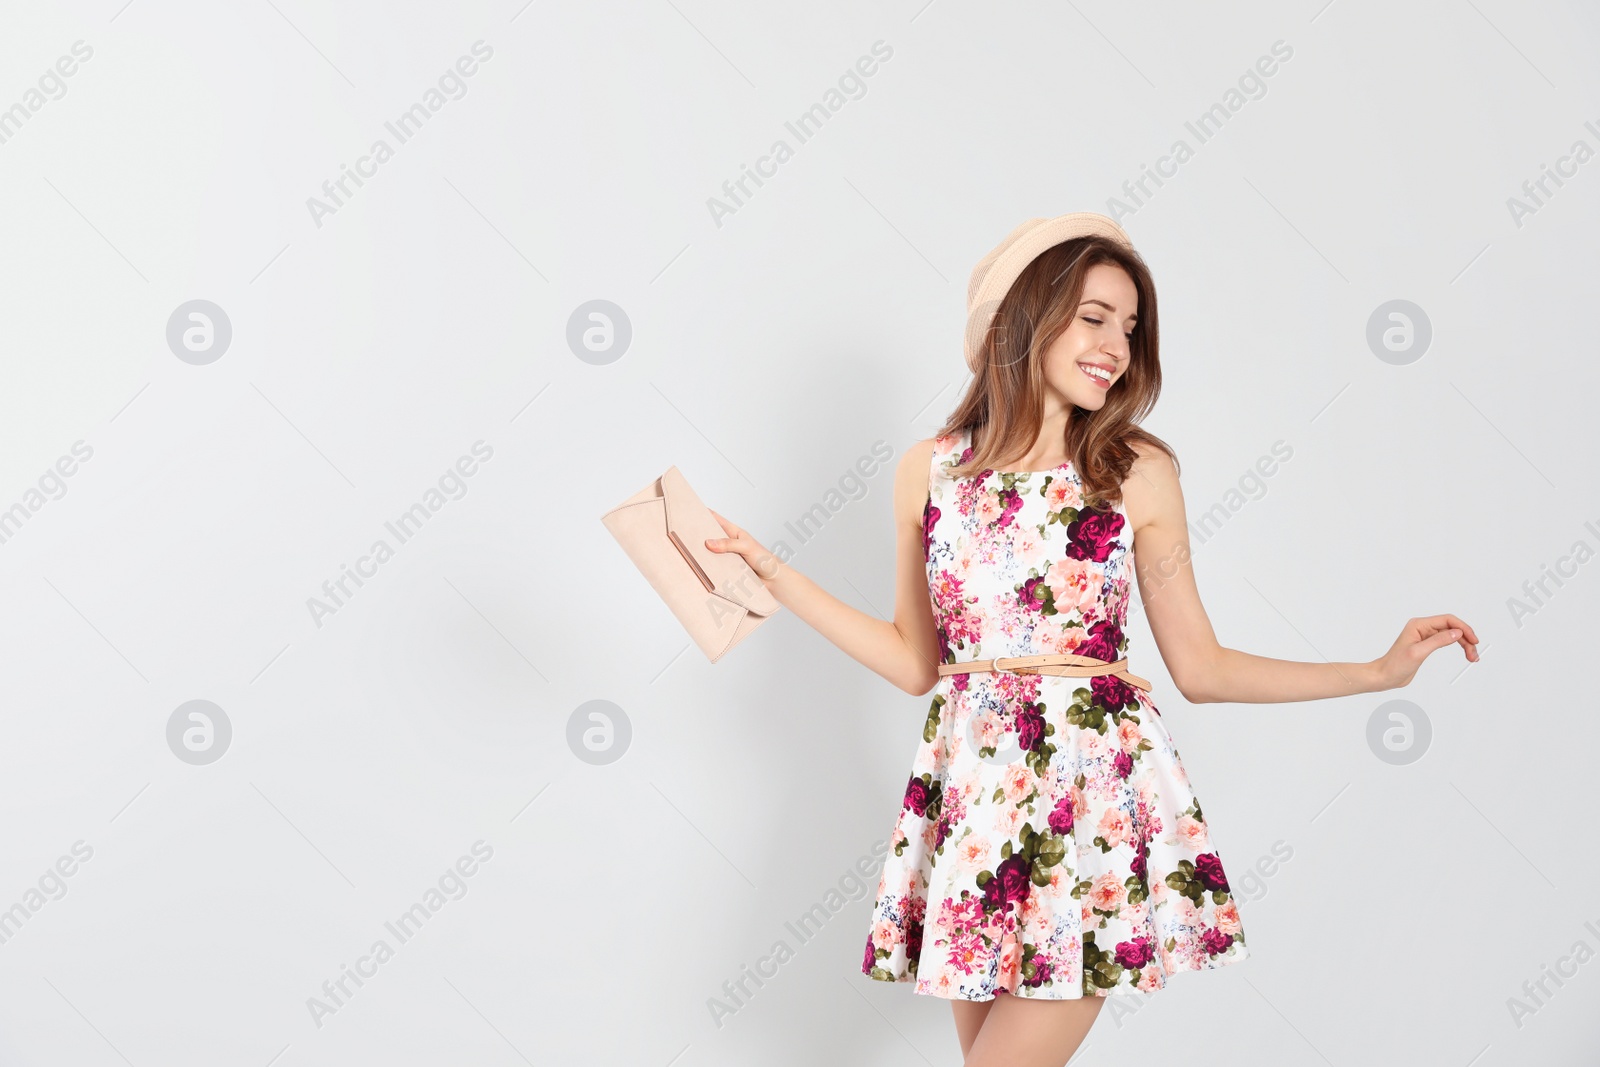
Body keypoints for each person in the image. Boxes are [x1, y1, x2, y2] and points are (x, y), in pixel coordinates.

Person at [701, 212, 1478, 1066]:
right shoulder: (930, 471)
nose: (1117, 343)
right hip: (974, 805)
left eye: (1131, 325)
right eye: (1095, 316)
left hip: (1090, 804)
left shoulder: (1136, 469)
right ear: (1027, 318)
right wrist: (777, 576)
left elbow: (1203, 667)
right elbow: (917, 662)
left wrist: (1376, 671)